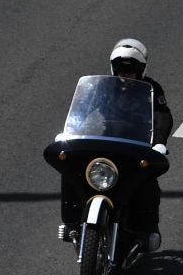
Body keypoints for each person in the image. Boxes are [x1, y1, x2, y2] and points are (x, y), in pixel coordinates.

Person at [56, 40, 174, 253]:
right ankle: (73, 222)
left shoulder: (152, 90)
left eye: (131, 70)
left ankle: (147, 231)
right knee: (74, 170)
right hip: (107, 141)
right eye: (121, 69)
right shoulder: (103, 88)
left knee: (147, 180)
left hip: (136, 146)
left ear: (141, 71)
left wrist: (159, 143)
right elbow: (85, 108)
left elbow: (162, 117)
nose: (126, 74)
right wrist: (70, 133)